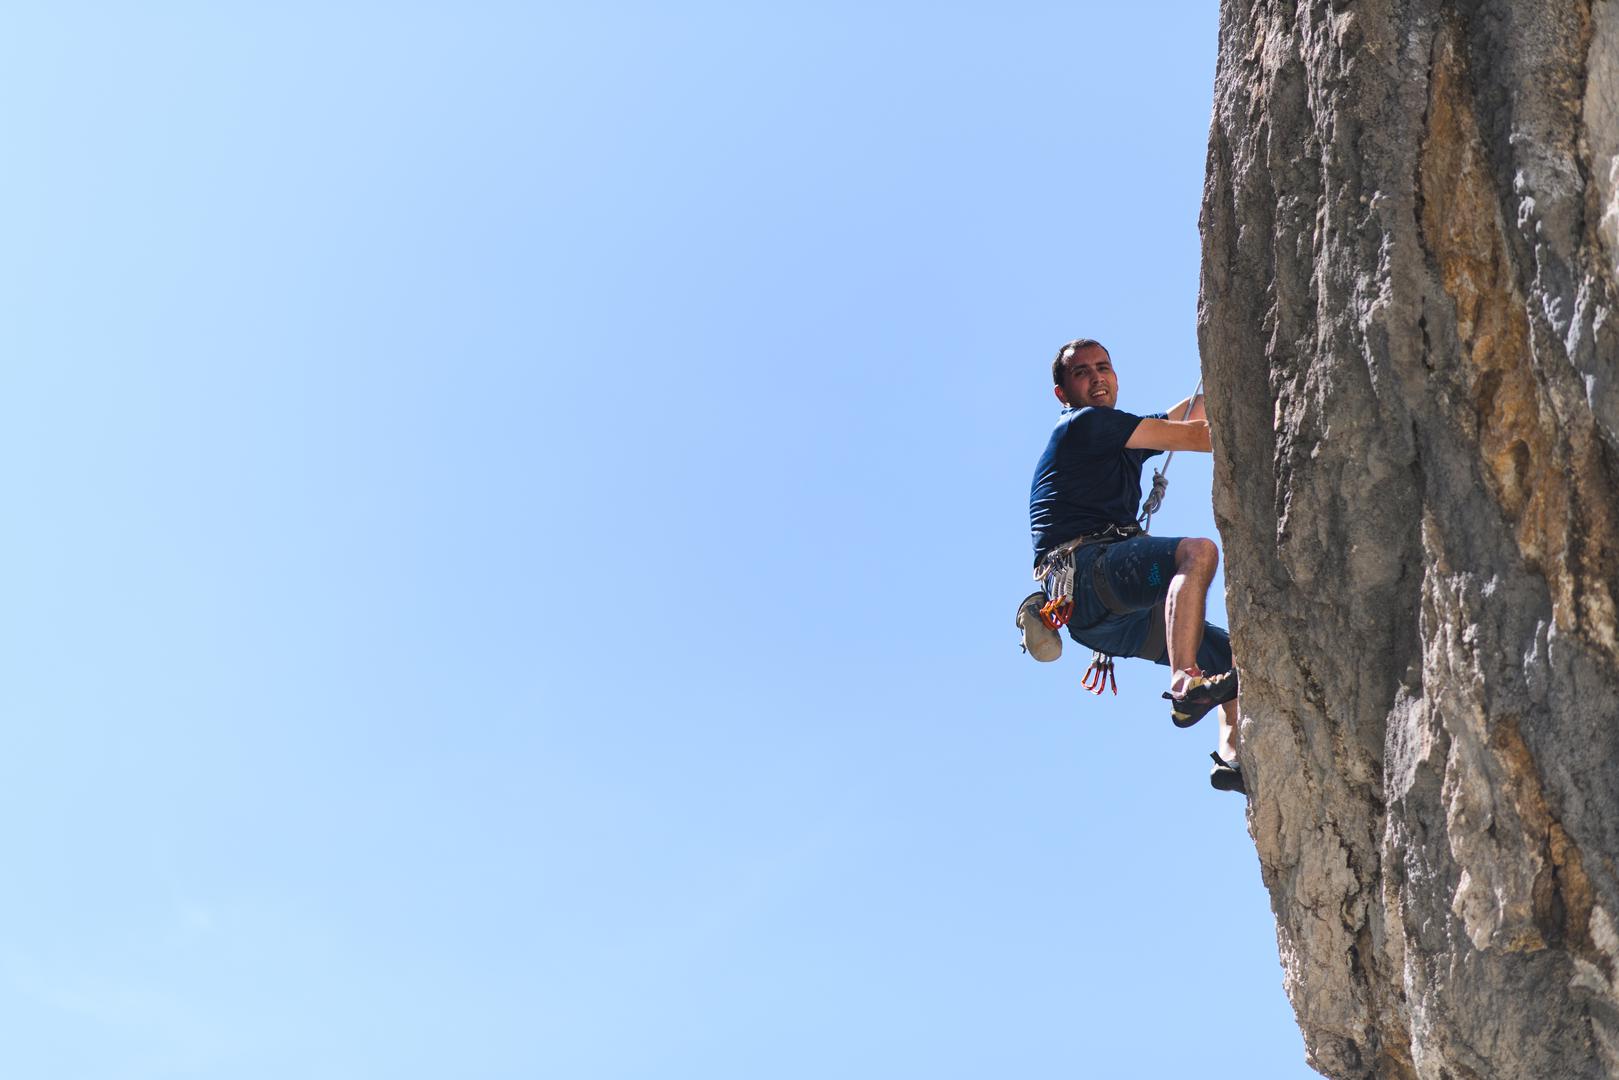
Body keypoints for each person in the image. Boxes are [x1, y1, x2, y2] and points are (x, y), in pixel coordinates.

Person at [1021, 337, 1245, 794]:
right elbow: (1196, 435)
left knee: (1236, 660)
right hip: (1090, 576)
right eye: (1082, 372)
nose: (1096, 377)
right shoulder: (1085, 425)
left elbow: (1183, 414)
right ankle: (1184, 682)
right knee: (1197, 554)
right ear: (1063, 393)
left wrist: (1231, 377)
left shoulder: (1119, 435)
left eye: (1103, 367)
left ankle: (1230, 758)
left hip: (1105, 622)